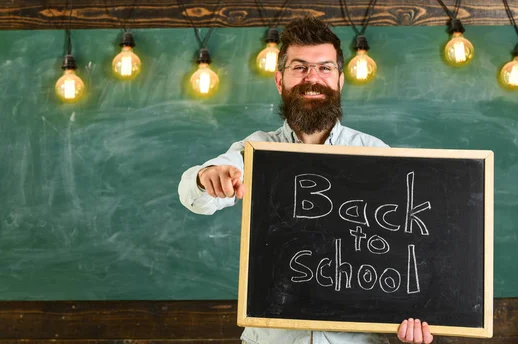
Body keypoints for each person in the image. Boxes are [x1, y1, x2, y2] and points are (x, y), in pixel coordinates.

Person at [178, 16, 434, 344]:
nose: (312, 79)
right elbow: (197, 196)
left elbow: (403, 251)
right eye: (299, 68)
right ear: (279, 81)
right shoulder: (257, 149)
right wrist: (206, 176)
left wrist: (413, 319)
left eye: (324, 68)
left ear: (340, 80)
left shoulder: (375, 153)